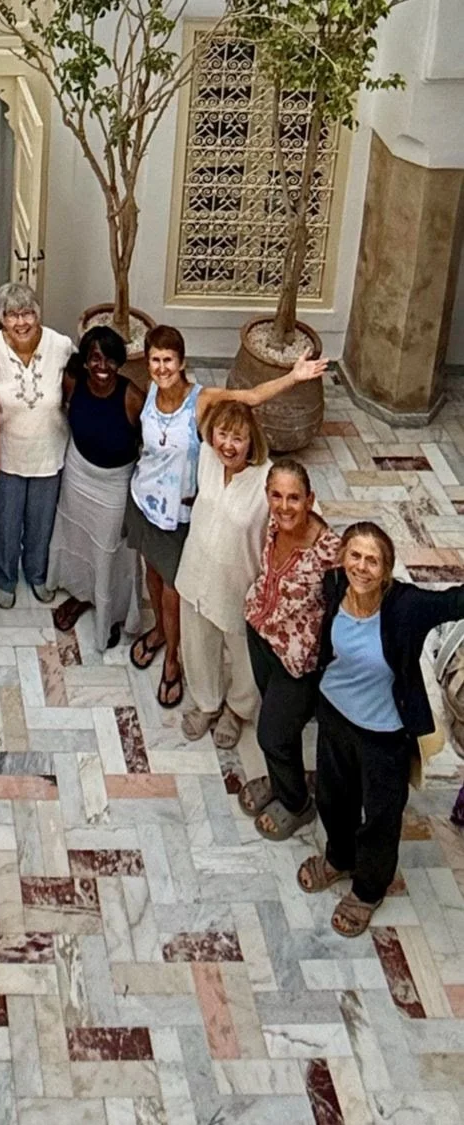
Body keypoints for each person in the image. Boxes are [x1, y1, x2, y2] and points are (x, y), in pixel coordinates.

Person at [124, 325, 328, 709]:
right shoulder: (149, 391)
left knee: (173, 589)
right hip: (144, 501)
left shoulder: (201, 401)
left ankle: (172, 659)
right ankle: (161, 633)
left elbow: (249, 397)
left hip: (178, 516)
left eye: (168, 359)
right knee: (151, 572)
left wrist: (294, 377)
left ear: (182, 362)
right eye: (155, 359)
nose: (162, 367)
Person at [296, 523, 463, 937]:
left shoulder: (406, 606)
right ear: (343, 558)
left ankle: (368, 890)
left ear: (387, 570)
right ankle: (338, 857)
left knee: (381, 817)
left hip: (384, 736)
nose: (362, 567)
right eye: (355, 556)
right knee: (333, 799)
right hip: (335, 716)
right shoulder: (334, 584)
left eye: (372, 560)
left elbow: (455, 601)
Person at [240, 459, 342, 840]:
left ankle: (297, 802)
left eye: (294, 498)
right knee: (277, 724)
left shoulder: (330, 553)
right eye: (277, 496)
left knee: (273, 734)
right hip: (262, 634)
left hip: (299, 662)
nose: (284, 506)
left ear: (310, 499)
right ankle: (282, 781)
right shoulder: (273, 522)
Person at [175, 400, 271, 749]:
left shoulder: (267, 481)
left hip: (239, 583)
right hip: (197, 571)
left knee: (244, 654)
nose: (228, 445)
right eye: (223, 434)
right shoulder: (206, 458)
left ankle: (237, 710)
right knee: (198, 644)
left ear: (252, 441)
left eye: (238, 438)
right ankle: (207, 703)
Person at [0, 282, 74, 609]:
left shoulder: (61, 345)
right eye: (12, 315)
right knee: (4, 522)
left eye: (27, 313)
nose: (21, 322)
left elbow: (77, 388)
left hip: (49, 451)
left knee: (41, 523)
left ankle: (38, 574)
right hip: (6, 454)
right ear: (2, 318)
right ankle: (3, 579)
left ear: (37, 314)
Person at [48, 326, 144, 651]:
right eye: (95, 358)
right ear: (86, 361)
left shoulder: (132, 397)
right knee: (76, 536)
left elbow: (150, 445)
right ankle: (80, 594)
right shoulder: (73, 382)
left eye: (110, 360)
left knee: (108, 548)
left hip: (114, 485)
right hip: (77, 474)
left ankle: (111, 610)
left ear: (119, 363)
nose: (102, 367)